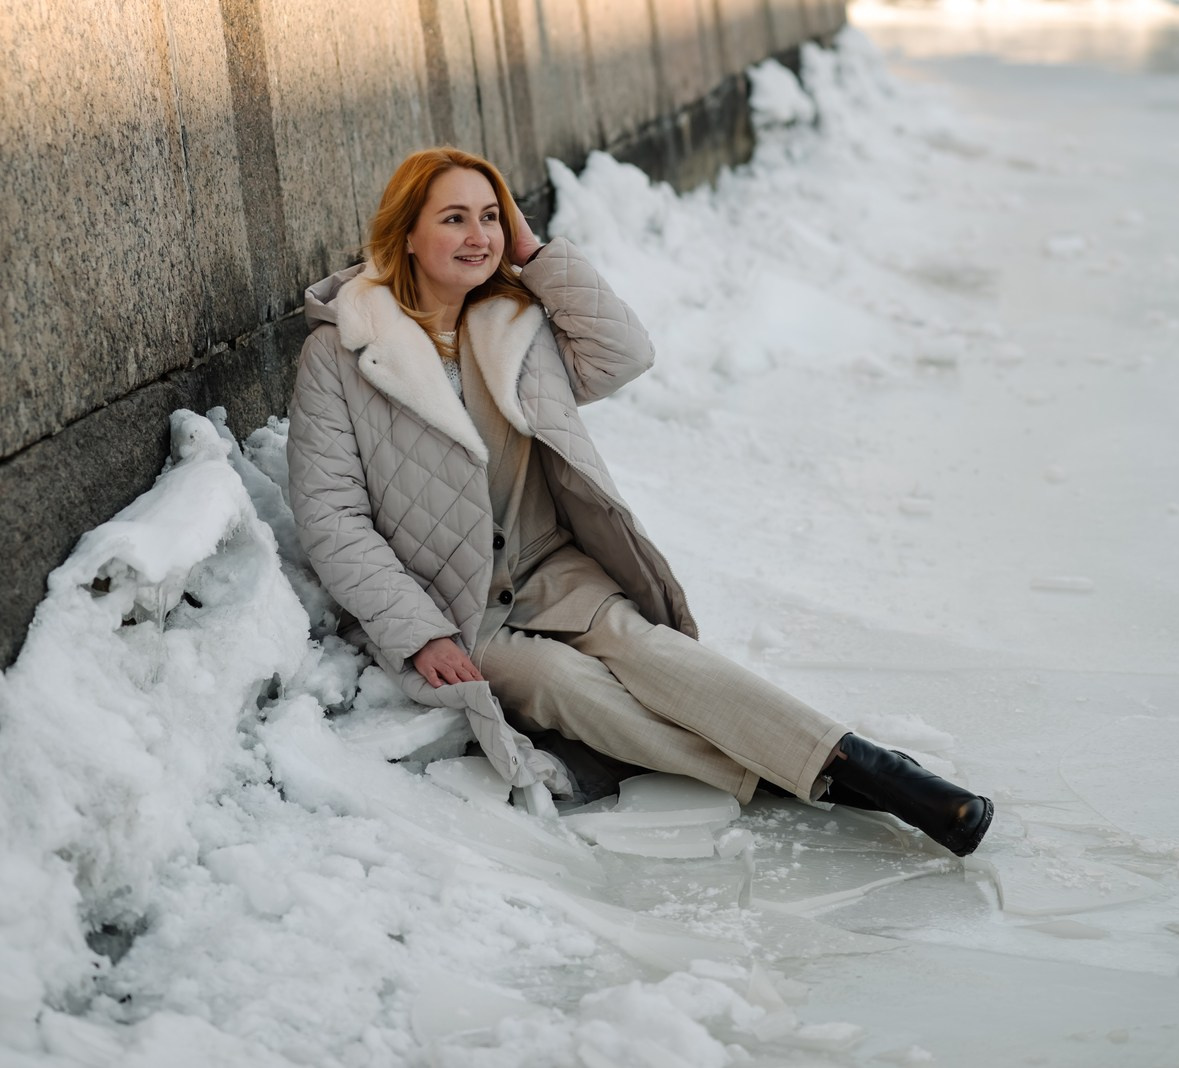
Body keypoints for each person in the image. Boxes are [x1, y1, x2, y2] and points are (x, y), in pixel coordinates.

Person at [287, 147, 993, 856]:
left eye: (492, 217)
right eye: (454, 219)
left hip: (551, 569)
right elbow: (332, 517)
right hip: (453, 604)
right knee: (565, 684)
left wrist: (534, 256)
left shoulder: (511, 325)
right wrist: (419, 632)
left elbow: (622, 354)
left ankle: (869, 768)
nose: (479, 236)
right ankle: (806, 776)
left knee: (652, 655)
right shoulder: (341, 355)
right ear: (406, 232)